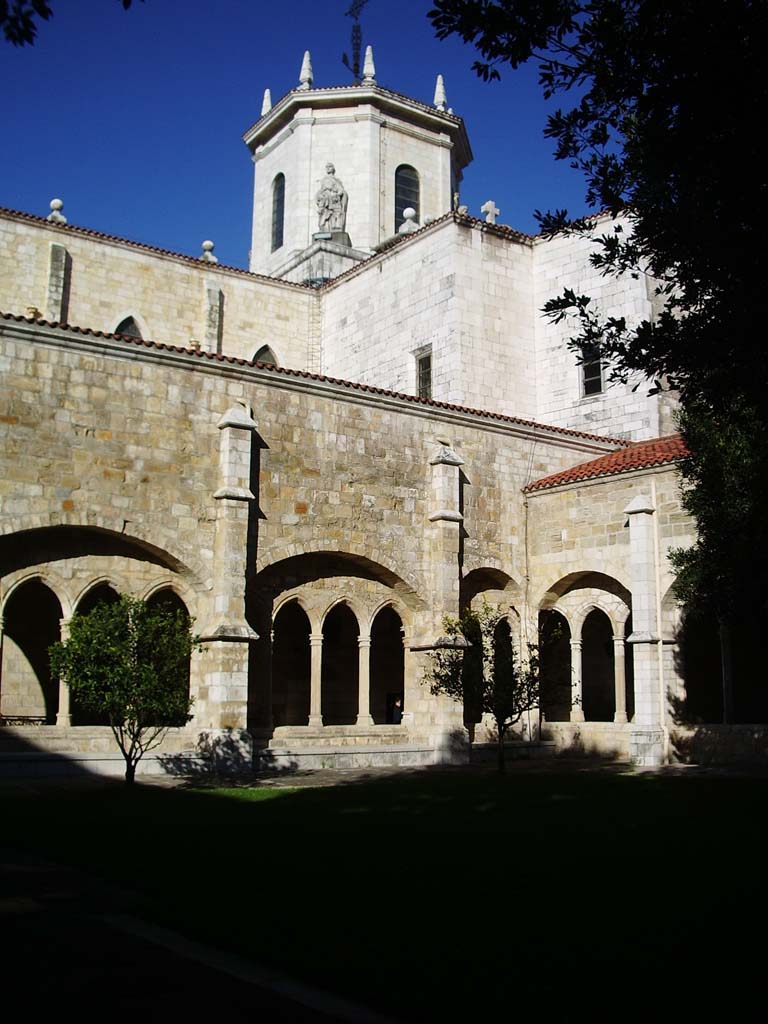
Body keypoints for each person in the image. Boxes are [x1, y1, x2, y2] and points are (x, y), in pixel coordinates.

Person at [316, 163, 348, 232]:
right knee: (324, 213)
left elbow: (341, 190)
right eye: (326, 167)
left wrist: (336, 195)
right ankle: (324, 227)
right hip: (325, 199)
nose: (328, 168)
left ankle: (335, 226)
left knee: (336, 213)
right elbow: (320, 191)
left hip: (333, 199)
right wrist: (319, 196)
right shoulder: (324, 180)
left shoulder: (336, 180)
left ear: (333, 169)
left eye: (329, 167)